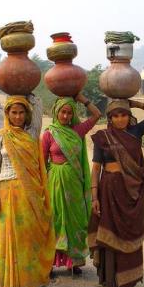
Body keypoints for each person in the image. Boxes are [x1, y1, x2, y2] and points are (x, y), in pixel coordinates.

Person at [88, 98, 144, 287]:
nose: (120, 119)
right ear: (110, 118)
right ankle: (109, 279)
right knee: (111, 233)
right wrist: (94, 196)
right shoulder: (102, 137)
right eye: (115, 115)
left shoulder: (135, 132)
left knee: (128, 234)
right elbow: (96, 168)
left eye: (123, 115)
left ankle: (128, 284)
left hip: (131, 193)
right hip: (109, 190)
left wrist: (134, 103)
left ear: (129, 117)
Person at [0, 96, 55, 287]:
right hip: (7, 193)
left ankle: (34, 283)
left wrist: (29, 93)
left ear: (27, 115)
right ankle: (12, 285)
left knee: (30, 238)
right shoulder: (0, 136)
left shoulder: (32, 134)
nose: (17, 116)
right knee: (10, 240)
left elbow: (38, 106)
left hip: (30, 194)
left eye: (21, 112)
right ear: (7, 114)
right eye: (13, 112)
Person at [42, 94, 101, 275]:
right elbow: (42, 162)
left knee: (76, 221)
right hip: (55, 185)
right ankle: (50, 262)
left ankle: (74, 261)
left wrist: (82, 98)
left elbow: (97, 114)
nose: (66, 116)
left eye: (69, 112)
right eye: (62, 112)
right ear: (56, 112)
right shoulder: (49, 134)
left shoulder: (77, 131)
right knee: (56, 221)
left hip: (75, 184)